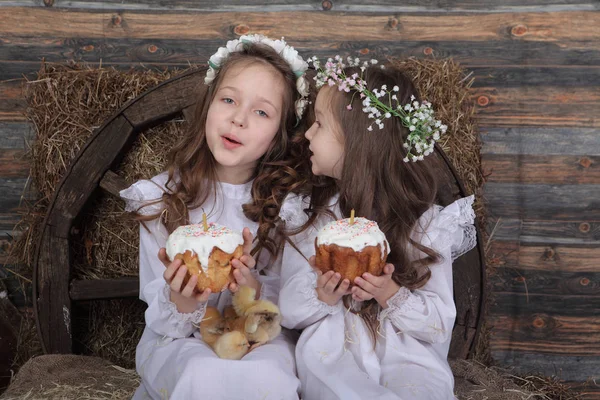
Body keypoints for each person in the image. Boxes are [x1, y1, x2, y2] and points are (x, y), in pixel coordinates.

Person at [119, 34, 312, 400]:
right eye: (229, 100)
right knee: (202, 373)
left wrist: (250, 285)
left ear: (278, 134)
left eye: (261, 112)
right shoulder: (160, 200)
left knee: (267, 377)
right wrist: (184, 299)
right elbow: (160, 313)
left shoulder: (288, 208)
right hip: (181, 339)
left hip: (258, 339)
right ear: (208, 106)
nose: (238, 119)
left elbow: (291, 299)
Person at [278, 56, 476, 400]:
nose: (306, 134)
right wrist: (322, 293)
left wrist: (390, 293)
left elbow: (438, 324)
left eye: (320, 124)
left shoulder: (425, 224)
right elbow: (289, 312)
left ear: (358, 144)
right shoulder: (312, 218)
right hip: (332, 352)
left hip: (407, 354)